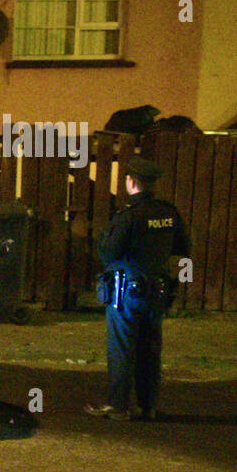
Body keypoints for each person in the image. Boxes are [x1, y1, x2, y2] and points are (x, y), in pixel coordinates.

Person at [84, 153, 190, 422]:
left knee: (121, 348)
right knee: (150, 349)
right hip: (157, 291)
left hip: (126, 293)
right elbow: (182, 248)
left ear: (130, 181)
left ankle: (118, 406)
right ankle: (148, 406)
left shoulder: (128, 216)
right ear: (152, 184)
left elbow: (108, 253)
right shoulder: (168, 213)